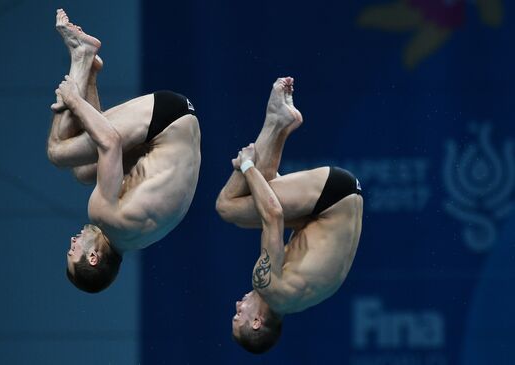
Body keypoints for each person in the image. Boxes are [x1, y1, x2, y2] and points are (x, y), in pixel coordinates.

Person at [47, 9, 200, 293]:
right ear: (93, 258)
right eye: (73, 252)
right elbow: (110, 142)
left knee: (83, 172)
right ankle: (82, 55)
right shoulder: (103, 215)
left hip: (179, 125)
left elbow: (108, 149)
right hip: (164, 122)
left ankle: (90, 72)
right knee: (57, 151)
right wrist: (71, 98)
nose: (71, 242)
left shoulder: (134, 239)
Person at [215, 77, 363, 353]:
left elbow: (271, 207)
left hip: (334, 205)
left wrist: (256, 176)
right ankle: (276, 123)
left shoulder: (296, 300)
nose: (237, 305)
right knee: (227, 206)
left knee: (260, 189)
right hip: (331, 198)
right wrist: (246, 165)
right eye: (239, 316)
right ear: (257, 322)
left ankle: (281, 123)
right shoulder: (268, 286)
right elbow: (273, 215)